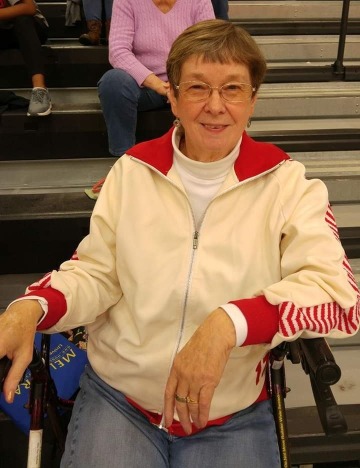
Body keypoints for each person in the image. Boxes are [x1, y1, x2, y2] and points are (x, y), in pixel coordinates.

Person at [0, 19, 359, 468]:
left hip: (231, 410)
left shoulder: (290, 185)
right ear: (171, 96)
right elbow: (97, 273)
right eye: (196, 88)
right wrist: (29, 308)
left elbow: (339, 298)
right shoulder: (132, 171)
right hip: (120, 398)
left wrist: (228, 324)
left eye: (232, 88)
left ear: (253, 100)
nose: (214, 106)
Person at [98, 0, 215, 157]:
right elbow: (118, 52)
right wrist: (157, 84)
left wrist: (180, 84)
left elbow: (209, 49)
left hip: (185, 83)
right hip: (144, 87)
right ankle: (123, 158)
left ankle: (202, 155)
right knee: (113, 82)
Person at [0, 0, 51, 116]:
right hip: (3, 30)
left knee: (22, 19)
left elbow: (29, 7)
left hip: (30, 26)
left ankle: (40, 90)